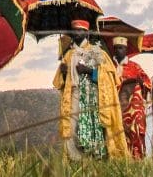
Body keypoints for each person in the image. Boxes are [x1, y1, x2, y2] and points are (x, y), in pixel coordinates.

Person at [54, 20, 128, 159]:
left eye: (80, 30)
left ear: (86, 32)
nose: (76, 33)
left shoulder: (97, 53)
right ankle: (74, 158)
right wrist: (63, 72)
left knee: (94, 126)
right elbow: (59, 83)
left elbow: (109, 78)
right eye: (74, 30)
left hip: (92, 96)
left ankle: (96, 157)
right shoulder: (68, 55)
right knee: (71, 125)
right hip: (74, 94)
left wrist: (89, 71)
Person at [111, 36, 151, 158]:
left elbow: (148, 83)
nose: (119, 50)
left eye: (122, 48)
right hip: (116, 106)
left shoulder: (135, 66)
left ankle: (138, 158)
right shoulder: (109, 67)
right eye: (117, 48)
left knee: (136, 131)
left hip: (135, 108)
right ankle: (121, 159)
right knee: (118, 131)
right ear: (113, 50)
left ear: (126, 50)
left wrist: (140, 82)